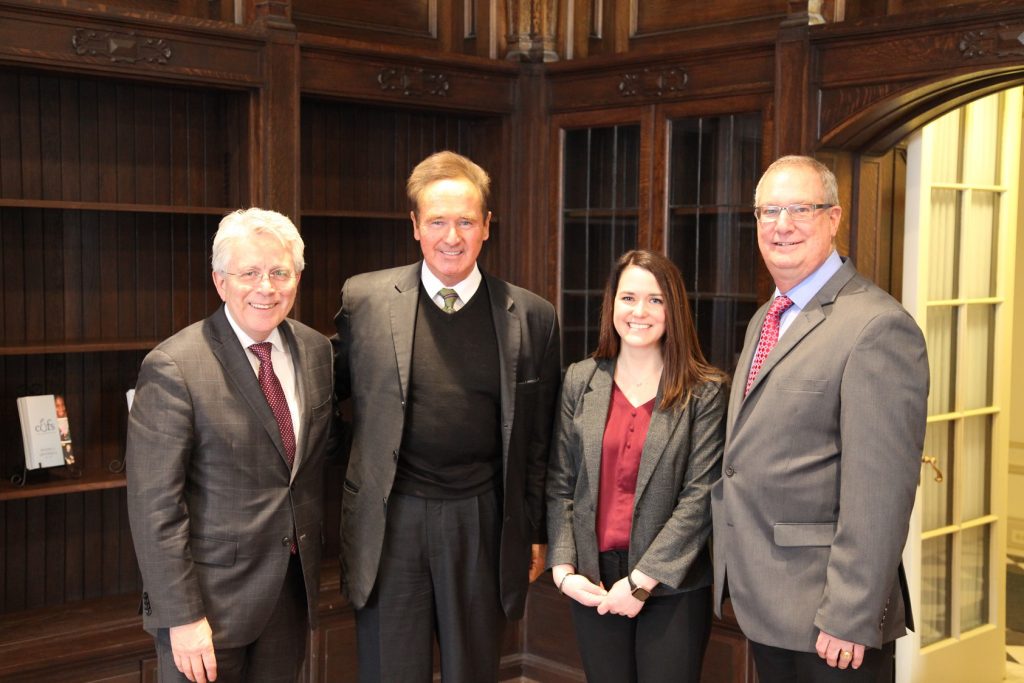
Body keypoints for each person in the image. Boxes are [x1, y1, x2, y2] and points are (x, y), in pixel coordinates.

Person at [332, 150, 561, 682]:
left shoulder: (531, 316)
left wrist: (535, 532)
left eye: (464, 221)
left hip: (482, 519)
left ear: (486, 225)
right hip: (392, 522)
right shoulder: (364, 300)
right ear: (415, 226)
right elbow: (326, 402)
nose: (451, 236)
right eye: (436, 221)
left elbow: (538, 442)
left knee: (473, 671)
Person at [711, 155, 929, 682]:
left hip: (831, 620)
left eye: (799, 209)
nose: (781, 225)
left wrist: (851, 615)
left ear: (833, 218)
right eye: (768, 211)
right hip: (768, 599)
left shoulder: (877, 327)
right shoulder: (770, 315)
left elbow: (879, 490)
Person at [127, 208, 338, 683]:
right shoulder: (175, 366)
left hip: (289, 593)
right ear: (221, 282)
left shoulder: (316, 351)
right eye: (249, 273)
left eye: (279, 272)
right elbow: (153, 505)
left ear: (297, 279)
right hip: (207, 608)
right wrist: (180, 617)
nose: (266, 286)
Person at [546, 249, 726, 683]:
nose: (639, 311)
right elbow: (562, 483)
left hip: (672, 587)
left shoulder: (705, 392)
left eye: (655, 300)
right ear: (612, 305)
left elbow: (700, 498)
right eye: (628, 298)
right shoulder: (580, 379)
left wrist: (643, 582)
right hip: (594, 582)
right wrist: (563, 569)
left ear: (673, 310)